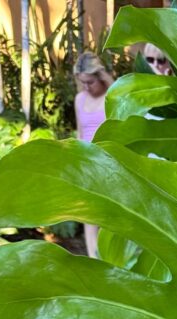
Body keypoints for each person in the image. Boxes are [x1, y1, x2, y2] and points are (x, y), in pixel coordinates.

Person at [73, 53, 114, 257]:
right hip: (88, 163)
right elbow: (80, 133)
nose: (87, 87)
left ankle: (111, 258)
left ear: (100, 77)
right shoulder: (80, 99)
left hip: (109, 163)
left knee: (108, 215)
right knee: (88, 216)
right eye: (83, 83)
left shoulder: (112, 97)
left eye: (90, 82)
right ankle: (94, 258)